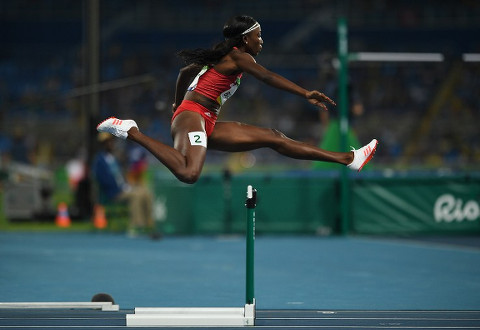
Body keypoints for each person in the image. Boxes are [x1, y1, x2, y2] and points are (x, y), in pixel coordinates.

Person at [97, 15, 378, 184]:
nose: (261, 41)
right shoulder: (239, 57)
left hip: (205, 119)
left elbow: (185, 71)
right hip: (192, 115)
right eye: (258, 36)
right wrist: (304, 92)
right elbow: (266, 76)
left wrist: (175, 102)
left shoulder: (222, 56)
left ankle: (348, 159)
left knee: (274, 137)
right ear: (244, 40)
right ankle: (130, 131)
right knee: (190, 173)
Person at [92, 132, 155, 236]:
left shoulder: (114, 159)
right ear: (103, 144)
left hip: (123, 188)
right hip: (114, 192)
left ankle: (148, 225)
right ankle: (136, 226)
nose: (111, 144)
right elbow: (104, 180)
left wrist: (127, 185)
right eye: (107, 142)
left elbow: (121, 176)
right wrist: (122, 188)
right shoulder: (99, 161)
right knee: (136, 195)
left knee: (145, 192)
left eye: (111, 142)